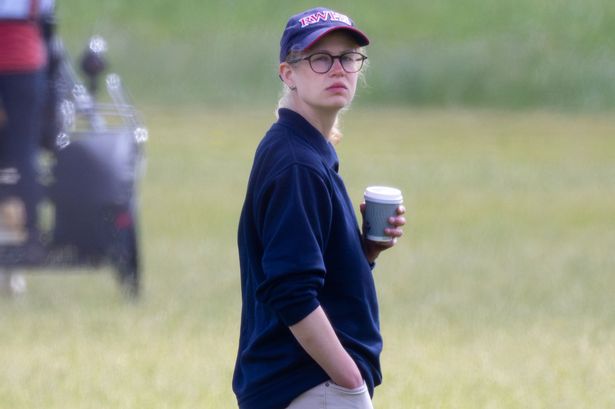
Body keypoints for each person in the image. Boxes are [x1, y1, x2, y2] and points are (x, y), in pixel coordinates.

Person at [233, 7, 406, 409]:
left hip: (307, 384)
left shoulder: (305, 150)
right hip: (310, 385)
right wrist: (349, 382)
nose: (338, 70)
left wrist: (363, 252)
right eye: (320, 58)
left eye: (348, 58)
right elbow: (291, 291)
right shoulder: (297, 163)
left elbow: (306, 270)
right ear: (288, 73)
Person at [0, 0, 55, 246]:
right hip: (25, 61)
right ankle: (30, 231)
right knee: (24, 154)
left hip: (23, 57)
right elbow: (46, 19)